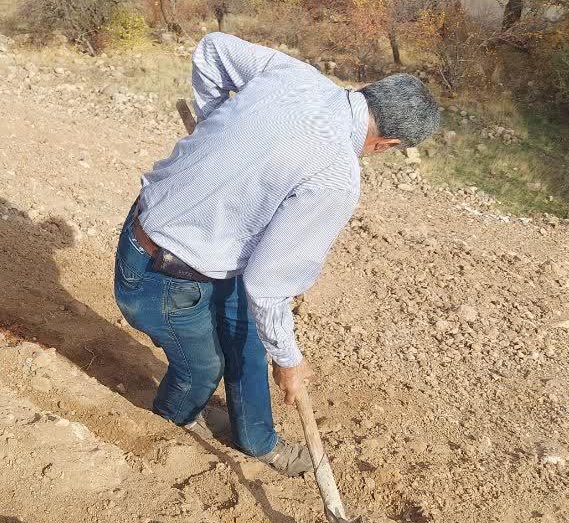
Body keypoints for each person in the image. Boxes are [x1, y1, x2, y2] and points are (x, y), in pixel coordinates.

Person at [114, 32, 441, 476]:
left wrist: (220, 125)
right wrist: (290, 361)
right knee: (201, 371)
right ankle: (169, 427)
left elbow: (212, 49)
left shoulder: (295, 75)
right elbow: (269, 285)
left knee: (249, 342)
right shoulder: (336, 179)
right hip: (160, 273)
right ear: (388, 144)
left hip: (199, 251)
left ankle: (257, 439)